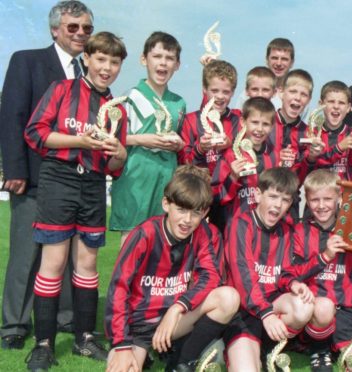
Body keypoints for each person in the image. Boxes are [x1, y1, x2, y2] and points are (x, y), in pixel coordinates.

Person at [23, 31, 128, 370]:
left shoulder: (117, 111)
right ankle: (43, 343)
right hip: (60, 178)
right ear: (87, 59)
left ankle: (84, 338)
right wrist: (79, 140)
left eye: (114, 62)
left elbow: (116, 168)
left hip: (94, 185)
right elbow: (36, 133)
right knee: (52, 263)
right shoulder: (62, 90)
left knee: (86, 265)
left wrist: (120, 153)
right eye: (101, 59)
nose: (107, 67)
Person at [0, 0, 93, 349]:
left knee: (67, 253)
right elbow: (11, 116)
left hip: (77, 179)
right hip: (35, 176)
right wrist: (15, 169)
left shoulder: (89, 70)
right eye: (73, 27)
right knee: (27, 253)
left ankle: (65, 318)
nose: (80, 34)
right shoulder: (27, 61)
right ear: (55, 29)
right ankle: (15, 323)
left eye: (86, 28)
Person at [105, 165, 239, 372]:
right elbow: (119, 289)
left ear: (204, 213)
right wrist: (121, 345)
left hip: (174, 319)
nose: (187, 220)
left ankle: (179, 363)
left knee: (229, 297)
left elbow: (210, 275)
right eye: (181, 210)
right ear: (166, 204)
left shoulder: (203, 232)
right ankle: (141, 352)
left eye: (195, 213)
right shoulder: (144, 235)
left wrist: (178, 307)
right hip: (138, 327)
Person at [281, 169, 352, 372]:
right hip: (313, 312)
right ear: (306, 199)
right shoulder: (299, 231)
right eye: (315, 200)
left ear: (340, 198)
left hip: (344, 313)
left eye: (327, 199)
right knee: (323, 307)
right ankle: (318, 349)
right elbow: (291, 274)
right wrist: (324, 256)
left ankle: (334, 348)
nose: (321, 205)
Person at [223, 167, 315, 372]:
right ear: (257, 195)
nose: (277, 205)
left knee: (304, 305)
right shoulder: (240, 223)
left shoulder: (285, 230)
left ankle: (268, 349)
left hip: (269, 307)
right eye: (272, 196)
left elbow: (284, 272)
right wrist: (266, 314)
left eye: (285, 200)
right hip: (243, 312)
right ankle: (236, 348)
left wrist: (293, 283)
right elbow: (243, 276)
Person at [110, 31, 186, 248]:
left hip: (166, 179)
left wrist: (179, 144)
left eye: (170, 58)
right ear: (144, 59)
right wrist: (143, 139)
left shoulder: (179, 103)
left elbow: (180, 142)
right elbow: (113, 139)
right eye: (157, 56)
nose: (163, 63)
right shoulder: (129, 97)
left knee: (161, 243)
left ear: (177, 64)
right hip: (135, 179)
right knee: (132, 244)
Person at [211, 97, 279, 222]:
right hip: (234, 225)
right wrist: (232, 177)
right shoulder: (230, 155)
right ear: (242, 122)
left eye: (265, 124)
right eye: (255, 122)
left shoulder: (274, 156)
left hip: (264, 225)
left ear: (272, 126)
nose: (259, 129)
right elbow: (215, 196)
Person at [299, 80, 352, 182]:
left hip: (344, 196)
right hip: (319, 195)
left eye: (341, 103)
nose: (336, 106)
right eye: (331, 102)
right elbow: (313, 166)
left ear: (349, 107)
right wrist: (339, 148)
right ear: (321, 104)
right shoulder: (311, 133)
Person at [179, 59, 240, 175]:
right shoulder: (190, 121)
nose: (220, 96)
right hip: (199, 189)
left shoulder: (238, 119)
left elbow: (248, 153)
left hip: (230, 190)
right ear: (204, 89)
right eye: (214, 91)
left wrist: (230, 144)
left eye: (226, 92)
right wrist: (200, 149)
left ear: (233, 92)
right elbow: (183, 162)